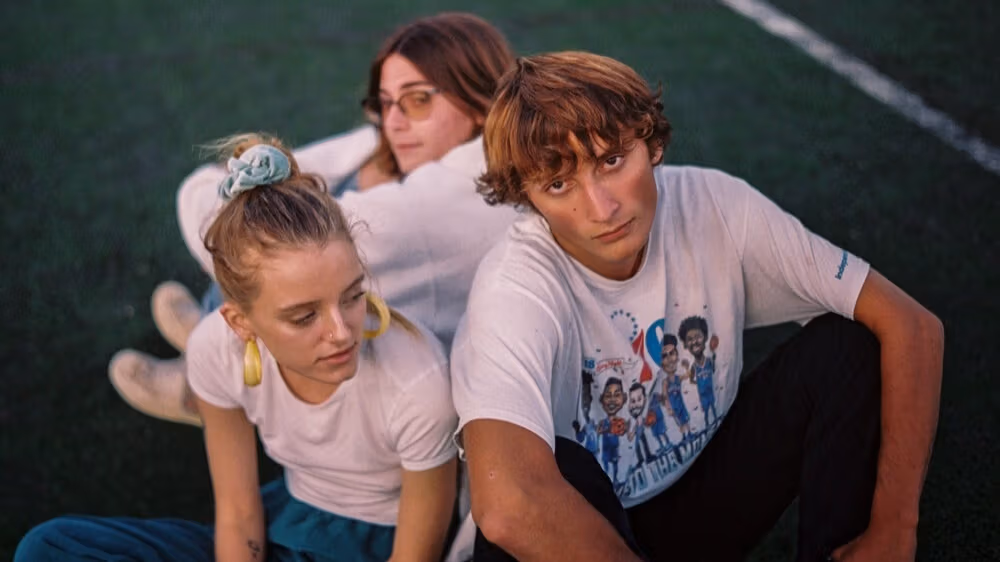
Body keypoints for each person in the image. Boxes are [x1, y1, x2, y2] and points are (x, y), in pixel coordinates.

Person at [451, 51, 944, 561]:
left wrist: (895, 528)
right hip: (581, 530)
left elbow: (913, 327)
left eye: (612, 160)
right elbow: (509, 506)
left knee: (850, 345)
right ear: (529, 200)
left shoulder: (716, 207)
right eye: (559, 185)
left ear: (653, 142)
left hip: (697, 498)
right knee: (552, 476)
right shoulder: (514, 288)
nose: (601, 208)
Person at [17, 134, 460, 562]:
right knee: (49, 548)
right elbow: (238, 513)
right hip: (278, 521)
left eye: (352, 294)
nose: (342, 332)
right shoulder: (215, 347)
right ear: (239, 322)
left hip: (375, 544)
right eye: (304, 316)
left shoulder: (419, 384)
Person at [108, 12, 518, 427]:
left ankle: (209, 387)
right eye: (385, 103)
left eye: (418, 100)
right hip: (421, 341)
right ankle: (211, 331)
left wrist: (247, 182)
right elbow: (358, 145)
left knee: (268, 249)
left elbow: (211, 209)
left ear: (480, 102)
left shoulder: (424, 206)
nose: (393, 123)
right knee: (317, 200)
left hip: (389, 380)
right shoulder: (497, 156)